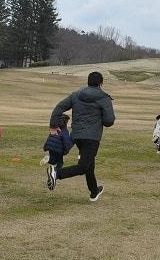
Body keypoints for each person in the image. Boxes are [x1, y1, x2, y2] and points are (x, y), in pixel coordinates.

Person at [46, 71, 115, 201]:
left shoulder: (76, 95)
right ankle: (56, 173)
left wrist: (53, 126)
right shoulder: (104, 98)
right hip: (92, 137)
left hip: (77, 136)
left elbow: (59, 107)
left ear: (88, 82)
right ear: (101, 84)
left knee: (89, 163)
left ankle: (94, 191)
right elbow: (109, 121)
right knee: (83, 166)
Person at [42, 114, 74, 190]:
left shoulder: (55, 130)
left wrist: (45, 147)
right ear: (66, 123)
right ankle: (55, 174)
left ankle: (48, 159)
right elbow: (66, 143)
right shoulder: (65, 131)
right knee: (60, 163)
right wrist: (66, 151)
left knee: (53, 161)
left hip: (51, 148)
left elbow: (49, 138)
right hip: (58, 150)